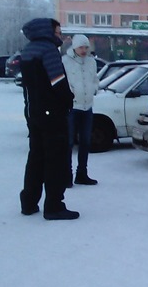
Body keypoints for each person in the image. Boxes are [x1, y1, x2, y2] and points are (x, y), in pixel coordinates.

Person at [18, 18, 79, 220]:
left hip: (34, 112)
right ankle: (54, 206)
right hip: (52, 114)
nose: (60, 35)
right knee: (56, 160)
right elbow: (57, 82)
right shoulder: (49, 51)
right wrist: (68, 100)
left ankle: (28, 201)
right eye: (58, 31)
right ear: (48, 31)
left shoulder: (28, 50)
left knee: (36, 157)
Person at [63, 34, 99, 186]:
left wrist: (94, 89)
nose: (83, 50)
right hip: (72, 107)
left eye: (86, 47)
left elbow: (95, 79)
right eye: (80, 47)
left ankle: (82, 174)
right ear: (74, 47)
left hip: (87, 106)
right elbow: (63, 81)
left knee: (85, 142)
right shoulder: (65, 61)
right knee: (69, 142)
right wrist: (69, 95)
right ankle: (66, 176)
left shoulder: (91, 62)